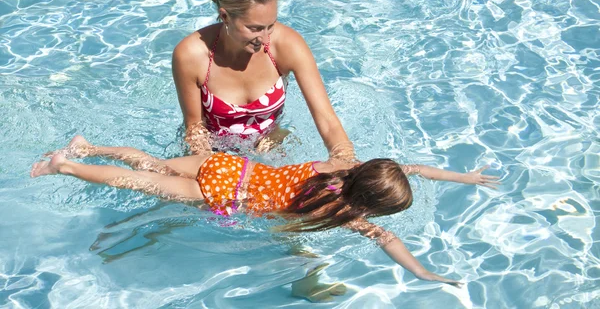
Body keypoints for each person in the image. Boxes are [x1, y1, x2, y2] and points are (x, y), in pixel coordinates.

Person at [32, 136, 500, 298]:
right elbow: (385, 239)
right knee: (142, 185)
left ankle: (84, 149)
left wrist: (461, 177)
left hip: (229, 166)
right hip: (222, 196)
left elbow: (409, 168)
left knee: (149, 164)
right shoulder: (338, 211)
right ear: (367, 205)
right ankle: (67, 166)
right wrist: (423, 271)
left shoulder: (341, 167)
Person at [172, 0, 355, 157]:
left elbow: (327, 120)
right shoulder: (191, 55)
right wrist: (215, 172)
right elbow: (195, 131)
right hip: (216, 154)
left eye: (270, 26)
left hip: (271, 146)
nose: (264, 37)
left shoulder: (287, 45)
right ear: (225, 16)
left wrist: (347, 162)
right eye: (254, 28)